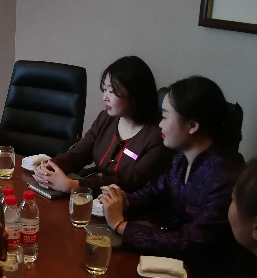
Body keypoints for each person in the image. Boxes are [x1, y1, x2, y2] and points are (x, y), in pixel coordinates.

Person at [101, 76, 248, 278]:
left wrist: (121, 225)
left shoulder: (224, 175)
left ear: (192, 125)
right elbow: (157, 190)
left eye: (165, 116)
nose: (159, 124)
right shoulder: (183, 156)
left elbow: (190, 242)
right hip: (178, 269)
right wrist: (124, 200)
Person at [34, 55, 172, 194]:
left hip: (129, 203)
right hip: (98, 198)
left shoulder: (158, 137)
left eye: (112, 91)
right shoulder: (105, 118)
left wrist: (73, 185)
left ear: (135, 95)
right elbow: (78, 154)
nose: (105, 97)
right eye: (104, 89)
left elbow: (129, 182)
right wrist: (50, 166)